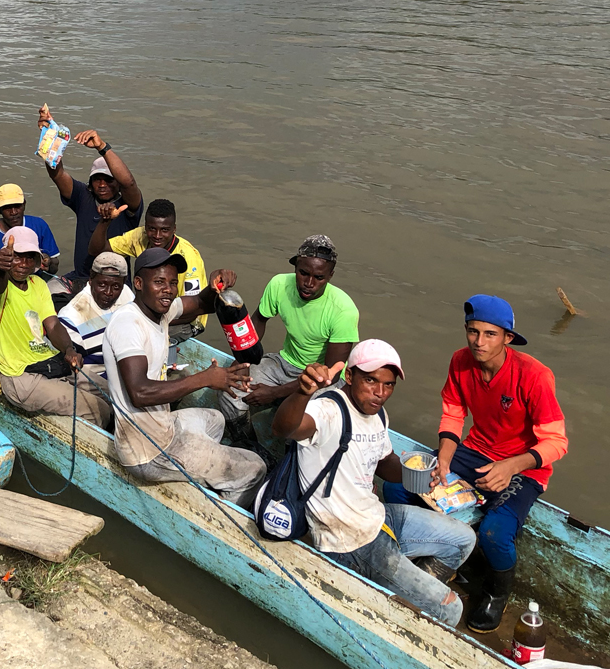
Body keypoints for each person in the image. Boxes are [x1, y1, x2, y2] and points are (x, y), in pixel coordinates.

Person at [382, 295, 567, 633]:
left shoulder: (535, 375)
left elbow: (557, 442)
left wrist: (510, 467)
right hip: (474, 451)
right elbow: (453, 412)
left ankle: (497, 592)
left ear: (508, 337)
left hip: (525, 467)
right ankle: (421, 552)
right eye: (472, 332)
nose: (479, 343)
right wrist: (445, 458)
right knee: (401, 484)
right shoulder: (460, 362)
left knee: (496, 533)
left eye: (490, 334)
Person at [272, 341, 477, 627]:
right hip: (347, 539)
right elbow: (285, 427)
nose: (380, 393)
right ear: (350, 376)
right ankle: (401, 604)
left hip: (377, 517)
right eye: (370, 380)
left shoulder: (376, 412)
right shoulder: (328, 409)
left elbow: (382, 462)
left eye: (389, 385)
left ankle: (402, 597)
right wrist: (301, 392)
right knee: (450, 610)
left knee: (464, 539)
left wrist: (415, 475)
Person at [102, 248, 266, 505]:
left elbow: (201, 304)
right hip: (147, 451)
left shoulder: (160, 311)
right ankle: (213, 513)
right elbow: (140, 392)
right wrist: (205, 379)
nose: (168, 289)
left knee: (215, 419)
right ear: (138, 284)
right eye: (159, 282)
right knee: (256, 468)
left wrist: (214, 286)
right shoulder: (128, 324)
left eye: (172, 282)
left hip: (163, 424)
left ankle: (199, 470)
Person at [218, 235, 359, 453]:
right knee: (231, 391)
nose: (309, 283)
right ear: (295, 267)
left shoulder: (343, 311)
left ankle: (287, 467)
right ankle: (249, 448)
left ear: (330, 276)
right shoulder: (279, 285)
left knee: (299, 424)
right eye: (303, 273)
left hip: (322, 380)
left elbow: (330, 376)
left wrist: (275, 393)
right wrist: (242, 363)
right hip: (284, 363)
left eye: (319, 277)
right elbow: (258, 323)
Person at [0, 227, 110, 426]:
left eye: (29, 258)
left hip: (49, 362)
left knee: (112, 393)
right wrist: (0, 270)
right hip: (20, 376)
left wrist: (69, 350)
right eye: (17, 257)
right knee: (97, 410)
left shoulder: (38, 284)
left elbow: (53, 325)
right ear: (6, 258)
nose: (23, 264)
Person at [37, 106, 143, 279]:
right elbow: (57, 174)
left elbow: (129, 183)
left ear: (117, 181)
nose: (102, 184)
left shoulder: (127, 206)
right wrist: (49, 136)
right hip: (82, 278)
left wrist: (102, 147)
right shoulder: (83, 197)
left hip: (115, 284)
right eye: (97, 179)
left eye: (108, 180)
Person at [89, 198, 208, 346]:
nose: (157, 236)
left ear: (174, 229)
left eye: (164, 230)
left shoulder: (189, 258)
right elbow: (97, 251)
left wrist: (149, 320)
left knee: (130, 338)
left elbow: (195, 309)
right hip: (150, 309)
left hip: (184, 321)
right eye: (152, 229)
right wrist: (105, 222)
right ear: (145, 227)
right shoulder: (139, 237)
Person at [57, 252, 134, 374]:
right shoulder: (71, 316)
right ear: (91, 279)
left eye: (116, 287)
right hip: (95, 381)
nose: (108, 292)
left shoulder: (127, 294)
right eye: (102, 285)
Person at [0, 184, 61, 278]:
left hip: (34, 284)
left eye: (17, 206)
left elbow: (54, 266)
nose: (13, 212)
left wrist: (48, 262)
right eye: (7, 208)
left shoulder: (39, 225)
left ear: (24, 205)